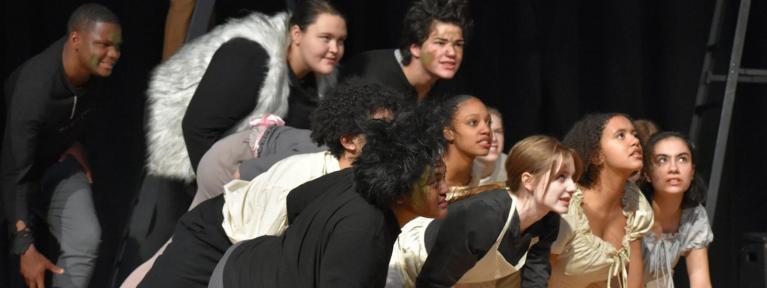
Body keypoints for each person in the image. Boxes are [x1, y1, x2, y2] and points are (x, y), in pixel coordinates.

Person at [129, 80, 407, 288]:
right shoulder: (305, 173)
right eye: (381, 130)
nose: (392, 138)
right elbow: (260, 251)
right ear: (348, 141)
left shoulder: (364, 184)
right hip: (214, 237)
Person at [206, 101, 450, 288]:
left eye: (443, 176)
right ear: (399, 191)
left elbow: (296, 201)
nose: (446, 189)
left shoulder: (356, 179)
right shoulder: (365, 233)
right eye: (434, 182)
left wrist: (307, 249)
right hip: (241, 280)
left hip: (249, 260)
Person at [145, 0, 347, 181]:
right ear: (296, 34)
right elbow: (196, 129)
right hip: (196, 172)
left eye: (340, 41)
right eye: (325, 38)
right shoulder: (251, 58)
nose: (334, 49)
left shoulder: (320, 85)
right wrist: (226, 192)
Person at [0, 4, 121, 287]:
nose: (113, 54)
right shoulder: (35, 89)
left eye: (116, 46)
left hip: (55, 165)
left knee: (86, 235)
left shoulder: (96, 73)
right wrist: (25, 245)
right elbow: (14, 174)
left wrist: (73, 141)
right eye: (104, 45)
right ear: (76, 40)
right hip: (15, 178)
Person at [386, 135, 582, 287]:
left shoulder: (548, 219)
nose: (573, 187)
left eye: (573, 177)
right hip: (403, 264)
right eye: (561, 177)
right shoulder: (486, 216)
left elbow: (535, 275)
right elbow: (433, 281)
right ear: (528, 180)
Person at [549, 113, 655, 288]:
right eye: (620, 135)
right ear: (596, 155)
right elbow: (536, 275)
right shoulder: (566, 207)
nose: (635, 141)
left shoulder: (636, 205)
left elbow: (632, 283)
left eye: (634, 134)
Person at [341, 0, 471, 101]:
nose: (452, 53)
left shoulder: (449, 84)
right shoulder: (374, 81)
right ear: (415, 48)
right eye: (440, 43)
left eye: (458, 44)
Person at [640, 132, 713, 288]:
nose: (673, 168)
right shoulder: (634, 212)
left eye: (682, 159)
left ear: (692, 171)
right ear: (647, 173)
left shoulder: (694, 215)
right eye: (662, 160)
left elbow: (699, 278)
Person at [440, 95, 492, 198]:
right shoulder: (427, 174)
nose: (486, 130)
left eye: (488, 122)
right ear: (448, 133)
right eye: (473, 122)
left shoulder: (475, 172)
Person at [474, 107, 508, 185]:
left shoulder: (512, 167)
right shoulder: (447, 169)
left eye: (498, 131)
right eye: (484, 132)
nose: (494, 138)